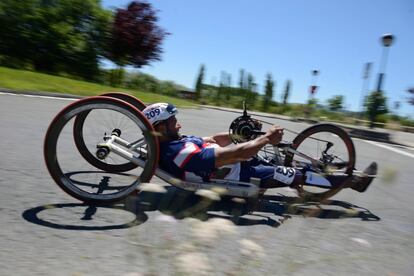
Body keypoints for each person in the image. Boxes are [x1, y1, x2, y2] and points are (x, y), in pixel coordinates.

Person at [142, 103, 377, 192]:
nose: (179, 123)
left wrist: (242, 133)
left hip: (242, 163)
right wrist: (265, 138)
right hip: (242, 174)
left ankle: (336, 167)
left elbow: (216, 138)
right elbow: (231, 154)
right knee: (295, 174)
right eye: (174, 122)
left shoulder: (176, 141)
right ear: (160, 128)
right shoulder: (178, 152)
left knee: (289, 158)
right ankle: (353, 182)